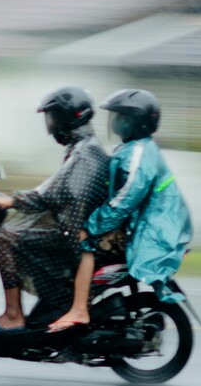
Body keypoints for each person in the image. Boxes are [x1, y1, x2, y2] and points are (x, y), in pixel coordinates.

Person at [48, 88, 193, 333]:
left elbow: (124, 200)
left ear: (138, 122)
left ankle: (79, 310)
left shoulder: (138, 154)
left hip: (151, 233)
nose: (115, 122)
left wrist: (89, 227)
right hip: (146, 225)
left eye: (122, 117)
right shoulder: (134, 148)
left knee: (83, 243)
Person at [0, 86, 109, 333]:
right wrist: (15, 199)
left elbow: (52, 194)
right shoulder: (83, 147)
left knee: (6, 238)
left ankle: (14, 315)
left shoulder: (85, 153)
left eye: (53, 117)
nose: (51, 125)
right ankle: (45, 310)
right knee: (23, 233)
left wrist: (12, 201)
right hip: (74, 233)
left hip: (73, 239)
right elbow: (53, 188)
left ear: (70, 117)